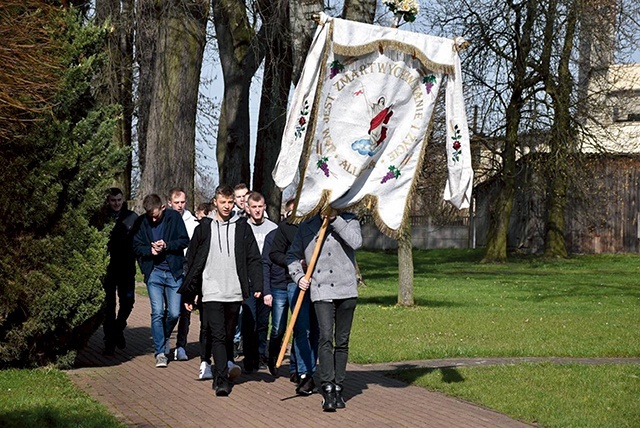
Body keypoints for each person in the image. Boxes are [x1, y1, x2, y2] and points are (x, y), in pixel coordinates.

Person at [179, 184, 263, 396]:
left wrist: (258, 285)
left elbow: (253, 257)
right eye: (223, 202)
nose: (226, 206)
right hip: (211, 290)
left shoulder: (242, 227)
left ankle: (221, 368)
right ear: (215, 202)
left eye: (230, 202)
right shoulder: (204, 228)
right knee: (216, 334)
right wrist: (191, 292)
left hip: (234, 290)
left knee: (227, 335)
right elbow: (192, 262)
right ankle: (221, 379)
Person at [287, 209, 362, 411]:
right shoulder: (307, 226)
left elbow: (356, 242)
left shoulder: (349, 220)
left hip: (346, 289)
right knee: (325, 337)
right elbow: (292, 256)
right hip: (321, 290)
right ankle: (327, 387)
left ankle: (339, 385)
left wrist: (336, 220)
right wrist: (299, 277)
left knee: (342, 340)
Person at [133, 194, 189, 368]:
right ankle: (160, 352)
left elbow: (184, 241)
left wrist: (167, 245)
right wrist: (150, 250)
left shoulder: (174, 218)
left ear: (163, 208)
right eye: (151, 216)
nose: (154, 219)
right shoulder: (142, 222)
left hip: (173, 272)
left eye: (156, 216)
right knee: (157, 312)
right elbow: (135, 245)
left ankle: (163, 337)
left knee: (174, 313)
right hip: (155, 272)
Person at [270, 200, 318, 396]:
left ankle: (307, 368)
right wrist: (294, 264)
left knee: (316, 330)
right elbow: (275, 253)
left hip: (318, 282)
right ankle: (304, 373)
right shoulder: (286, 228)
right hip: (294, 282)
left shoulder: (317, 224)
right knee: (301, 329)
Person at [93, 188, 138, 356]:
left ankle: (118, 328)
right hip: (108, 268)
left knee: (128, 301)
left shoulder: (132, 218)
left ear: (123, 199)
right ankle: (109, 341)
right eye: (113, 201)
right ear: (108, 201)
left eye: (119, 200)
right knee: (109, 306)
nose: (116, 203)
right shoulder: (102, 219)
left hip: (126, 267)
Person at [242, 192, 277, 372]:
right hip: (248, 282)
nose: (257, 210)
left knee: (263, 322)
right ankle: (249, 357)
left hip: (267, 282)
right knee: (249, 321)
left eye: (260, 206)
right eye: (253, 207)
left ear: (265, 207)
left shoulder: (273, 228)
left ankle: (262, 355)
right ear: (248, 208)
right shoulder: (242, 227)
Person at [263, 199, 296, 378]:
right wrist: (267, 290)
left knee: (299, 327)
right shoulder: (274, 235)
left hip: (296, 283)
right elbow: (266, 262)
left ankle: (295, 367)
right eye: (290, 213)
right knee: (278, 328)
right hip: (278, 285)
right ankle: (273, 356)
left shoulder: (302, 234)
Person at [167, 188, 198, 361]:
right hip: (170, 268)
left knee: (186, 309)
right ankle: (165, 339)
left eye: (182, 202)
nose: (180, 205)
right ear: (170, 202)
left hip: (187, 269)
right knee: (170, 310)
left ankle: (181, 345)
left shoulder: (192, 221)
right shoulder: (165, 219)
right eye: (176, 202)